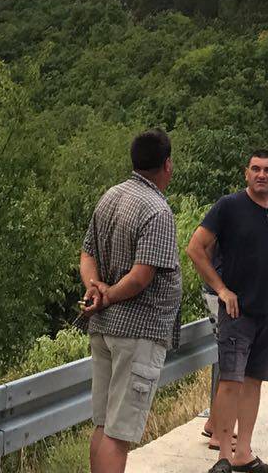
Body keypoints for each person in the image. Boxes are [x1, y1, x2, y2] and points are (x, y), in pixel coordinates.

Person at [188, 151, 268, 473]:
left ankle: (244, 454)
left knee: (254, 381)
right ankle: (224, 456)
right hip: (238, 311)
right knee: (231, 381)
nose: (261, 175)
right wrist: (222, 289)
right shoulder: (229, 207)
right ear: (246, 173)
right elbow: (195, 248)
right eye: (255, 169)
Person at [80, 130, 182, 473]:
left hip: (104, 328)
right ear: (166, 164)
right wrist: (106, 294)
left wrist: (94, 289)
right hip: (137, 333)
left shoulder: (111, 196)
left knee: (103, 424)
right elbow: (141, 277)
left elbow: (86, 253)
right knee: (119, 433)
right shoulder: (157, 210)